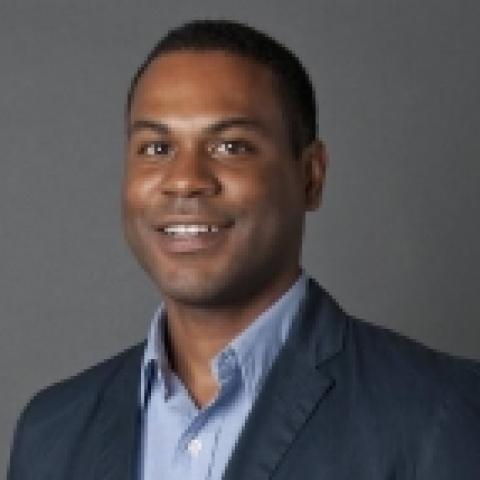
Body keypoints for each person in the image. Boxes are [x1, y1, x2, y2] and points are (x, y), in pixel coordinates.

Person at [7, 19, 480, 480]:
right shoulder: (52, 431)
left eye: (231, 146)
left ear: (310, 176)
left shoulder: (441, 411)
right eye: (155, 148)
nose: (185, 179)